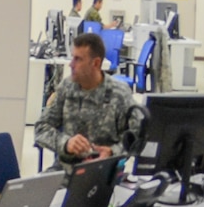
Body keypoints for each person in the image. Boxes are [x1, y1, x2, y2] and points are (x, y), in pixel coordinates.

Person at [34, 32, 138, 165]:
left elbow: (136, 136)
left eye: (78, 59)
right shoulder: (67, 87)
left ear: (95, 63)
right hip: (66, 171)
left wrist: (112, 151)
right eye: (72, 58)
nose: (71, 64)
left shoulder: (119, 93)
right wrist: (66, 143)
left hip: (103, 172)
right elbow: (41, 128)